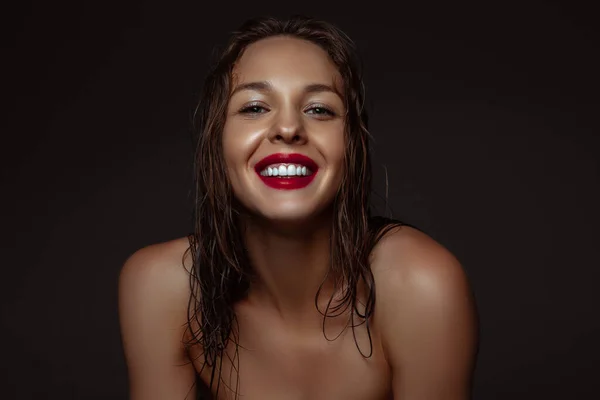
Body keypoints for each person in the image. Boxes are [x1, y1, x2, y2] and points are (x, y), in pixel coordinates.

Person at [118, 15, 478, 400]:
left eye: (319, 109)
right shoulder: (164, 287)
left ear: (352, 147)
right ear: (216, 141)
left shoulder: (420, 286)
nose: (288, 127)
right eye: (254, 107)